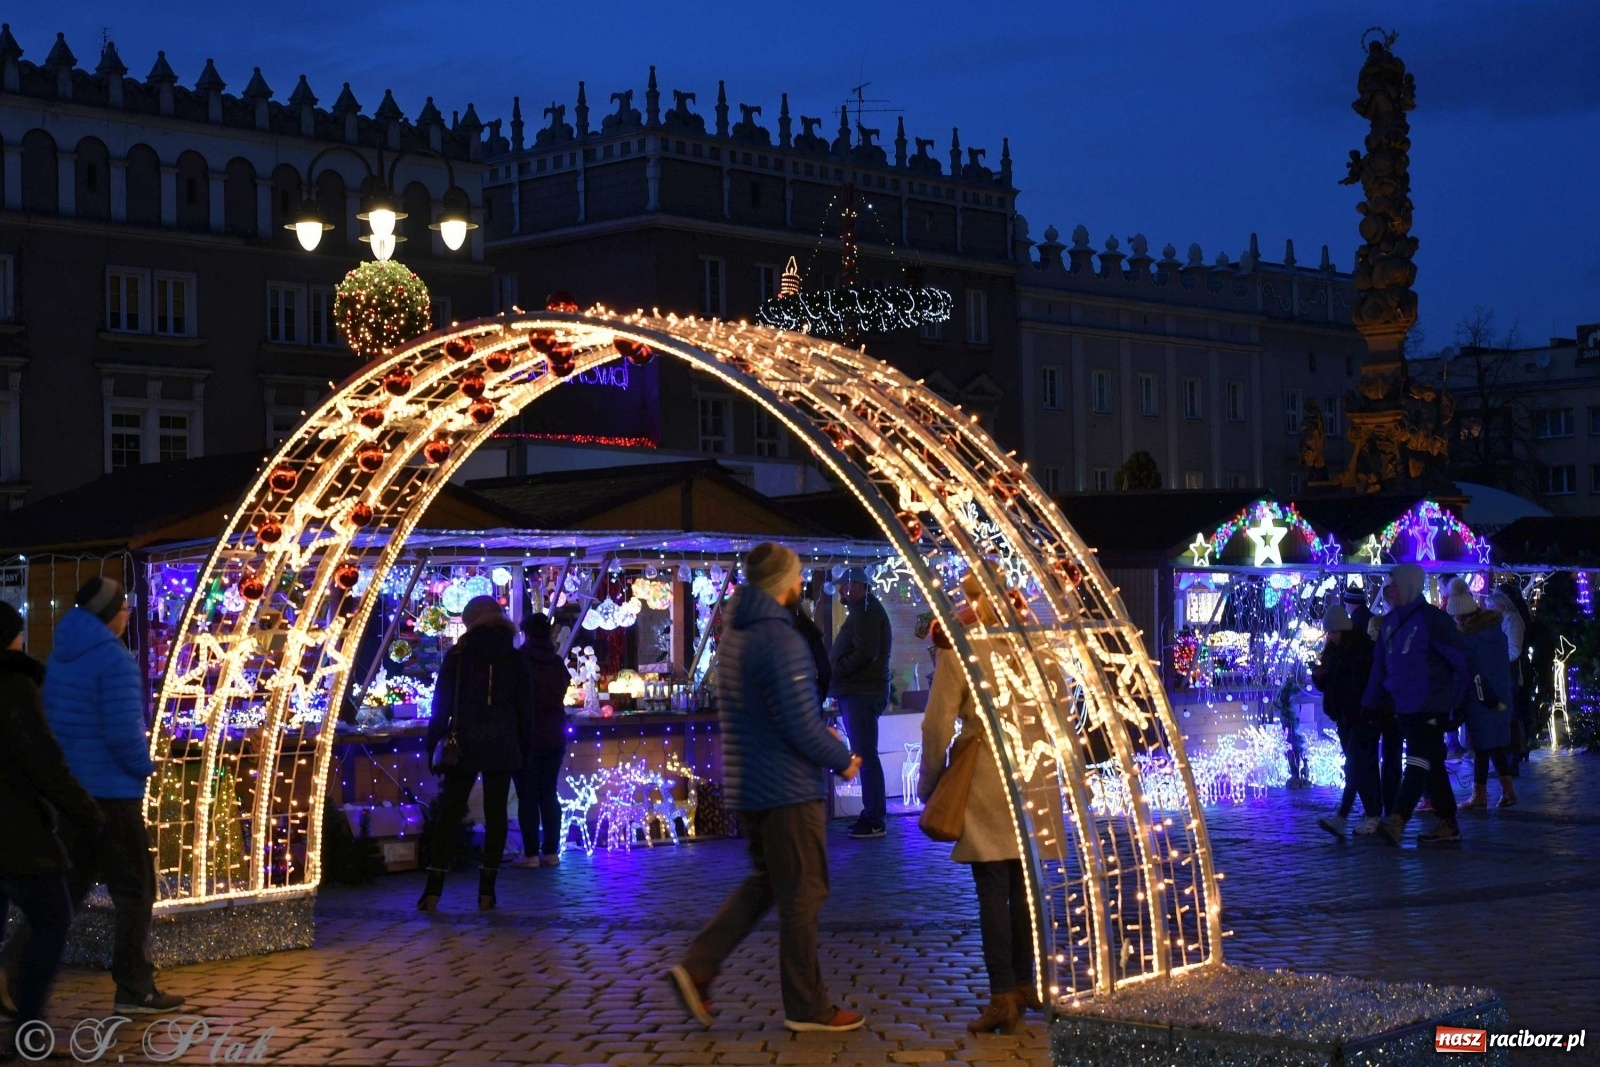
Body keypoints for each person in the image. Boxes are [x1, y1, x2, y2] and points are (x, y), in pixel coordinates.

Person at [667, 543, 865, 1034]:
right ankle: (807, 1006)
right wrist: (843, 758)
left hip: (751, 783)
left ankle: (698, 965)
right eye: (797, 573)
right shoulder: (779, 638)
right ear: (782, 581)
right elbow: (799, 722)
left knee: (768, 884)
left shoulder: (736, 633)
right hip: (787, 787)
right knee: (803, 892)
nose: (802, 581)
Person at [31, 578, 182, 1014]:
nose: (128, 614)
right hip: (115, 794)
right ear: (108, 613)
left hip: (75, 794)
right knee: (135, 891)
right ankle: (134, 986)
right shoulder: (114, 661)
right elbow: (123, 733)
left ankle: (15, 968)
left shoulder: (62, 655)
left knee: (67, 891)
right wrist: (146, 766)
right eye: (123, 607)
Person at [919, 577, 1038, 1035]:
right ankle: (1028, 983)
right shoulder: (1033, 642)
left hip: (987, 773)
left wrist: (931, 783)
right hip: (1034, 774)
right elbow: (1063, 705)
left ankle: (1003, 994)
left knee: (992, 885)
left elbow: (936, 725)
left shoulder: (963, 648)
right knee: (1025, 885)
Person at [0, 601, 104, 1051]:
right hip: (15, 828)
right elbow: (42, 759)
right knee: (52, 915)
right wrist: (84, 811)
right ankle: (27, 1027)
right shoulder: (13, 684)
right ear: (13, 637)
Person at [420, 596, 535, 912]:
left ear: (470, 622)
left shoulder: (458, 656)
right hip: (504, 742)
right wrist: (524, 748)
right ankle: (488, 891)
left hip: (464, 742)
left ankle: (433, 888)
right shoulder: (515, 657)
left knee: (450, 813)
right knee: (496, 813)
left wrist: (433, 743)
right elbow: (526, 709)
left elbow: (441, 704)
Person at [1362, 565, 1470, 847]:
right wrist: (1370, 704)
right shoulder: (1388, 625)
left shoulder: (1432, 620)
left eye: (1394, 586)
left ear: (1408, 586)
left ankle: (1398, 818)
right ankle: (1448, 823)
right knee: (1431, 762)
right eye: (1388, 587)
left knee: (1417, 760)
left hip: (1430, 703)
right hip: (1404, 706)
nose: (1389, 592)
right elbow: (1380, 669)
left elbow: (1460, 661)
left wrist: (1458, 702)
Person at [828, 567, 892, 839]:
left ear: (861, 586)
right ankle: (871, 814)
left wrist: (838, 668)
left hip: (862, 692)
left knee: (865, 755)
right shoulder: (864, 609)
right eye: (841, 585)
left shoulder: (865, 610)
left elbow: (866, 652)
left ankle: (875, 818)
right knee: (864, 754)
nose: (842, 590)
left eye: (847, 585)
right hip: (861, 691)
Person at [1446, 579, 1516, 810]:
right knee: (1493, 745)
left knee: (1481, 746)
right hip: (1499, 696)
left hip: (1479, 697)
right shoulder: (1496, 632)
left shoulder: (1467, 640)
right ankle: (1507, 791)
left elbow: (1463, 673)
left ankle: (1480, 795)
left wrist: (1455, 702)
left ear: (1460, 615)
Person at [1314, 601, 1380, 838]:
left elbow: (1358, 685)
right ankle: (1372, 815)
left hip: (1361, 716)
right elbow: (1331, 684)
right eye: (1329, 632)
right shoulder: (1333, 652)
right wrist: (1319, 677)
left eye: (1334, 632)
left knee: (1355, 766)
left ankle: (1345, 817)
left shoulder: (1361, 651)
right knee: (1359, 768)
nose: (1330, 637)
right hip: (1344, 716)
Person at [511, 613, 572, 869]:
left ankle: (530, 852)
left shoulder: (519, 661)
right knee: (549, 792)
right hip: (555, 734)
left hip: (526, 736)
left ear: (525, 632)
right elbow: (563, 686)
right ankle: (551, 850)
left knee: (527, 795)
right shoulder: (557, 662)